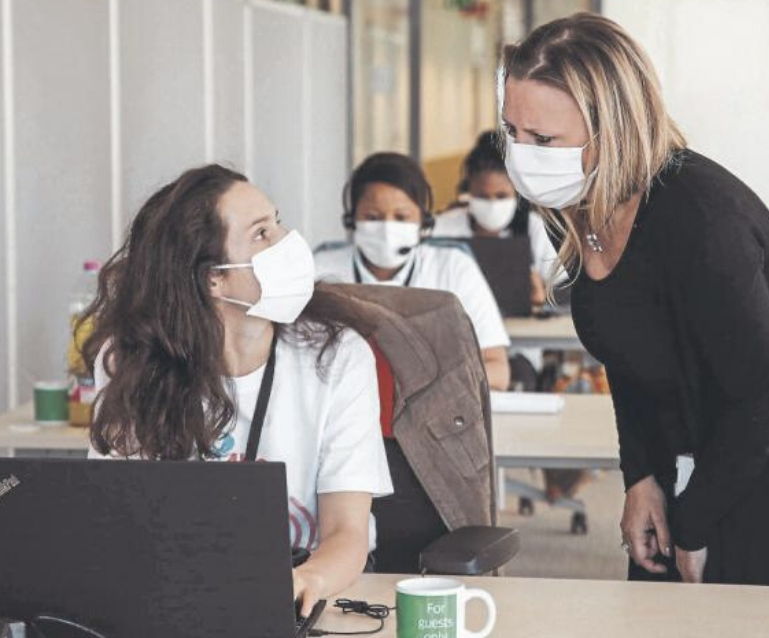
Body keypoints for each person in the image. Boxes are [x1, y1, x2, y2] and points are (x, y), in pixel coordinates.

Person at [501, 12, 769, 623]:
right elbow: (627, 355)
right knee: (664, 607)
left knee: (750, 615)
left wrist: (694, 522)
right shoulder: (573, 206)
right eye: (511, 132)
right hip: (716, 431)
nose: (521, 158)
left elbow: (766, 397)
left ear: (612, 131)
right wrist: (640, 476)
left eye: (543, 140)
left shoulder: (700, 219)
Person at [81, 164, 393, 617]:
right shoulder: (131, 360)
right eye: (262, 234)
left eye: (277, 222)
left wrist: (306, 581)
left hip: (305, 588)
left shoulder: (338, 355)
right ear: (213, 277)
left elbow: (348, 532)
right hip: (174, 596)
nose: (288, 241)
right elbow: (118, 518)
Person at [314, 152, 511, 391]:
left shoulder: (454, 268)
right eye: (373, 217)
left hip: (434, 405)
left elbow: (498, 370)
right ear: (351, 219)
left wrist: (424, 386)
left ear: (423, 222)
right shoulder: (322, 271)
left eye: (401, 217)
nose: (387, 228)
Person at [433, 130, 567, 306]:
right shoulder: (443, 227)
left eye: (501, 196)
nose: (492, 204)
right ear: (468, 192)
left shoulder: (532, 227)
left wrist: (543, 295)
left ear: (517, 193)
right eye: (482, 196)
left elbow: (563, 289)